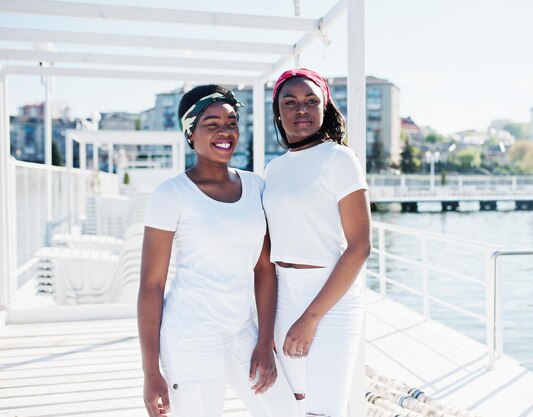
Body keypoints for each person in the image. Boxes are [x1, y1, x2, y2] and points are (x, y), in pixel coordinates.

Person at [137, 85, 297, 417]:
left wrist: (265, 341)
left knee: (285, 411)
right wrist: (151, 372)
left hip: (242, 329)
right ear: (190, 133)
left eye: (232, 122)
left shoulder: (256, 186)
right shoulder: (171, 194)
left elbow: (264, 268)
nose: (225, 131)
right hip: (191, 337)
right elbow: (151, 285)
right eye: (212, 124)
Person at [263, 68, 372, 417]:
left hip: (330, 297)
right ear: (278, 112)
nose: (301, 110)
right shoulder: (274, 169)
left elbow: (360, 246)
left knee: (324, 411)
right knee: (294, 403)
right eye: (290, 102)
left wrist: (311, 318)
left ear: (325, 106)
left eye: (311, 101)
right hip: (284, 291)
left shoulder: (339, 158)